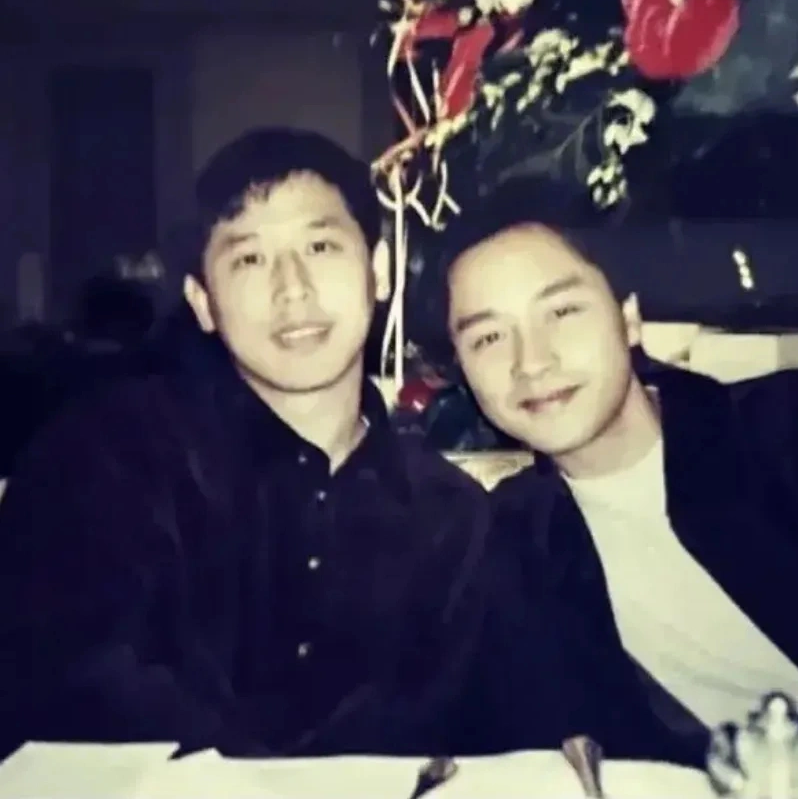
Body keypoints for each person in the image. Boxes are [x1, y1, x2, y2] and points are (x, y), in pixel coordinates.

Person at [0, 128, 492, 759]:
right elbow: (62, 692)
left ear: (378, 271)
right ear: (203, 302)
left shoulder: (450, 517)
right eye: (249, 260)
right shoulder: (107, 462)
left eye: (320, 246)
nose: (293, 288)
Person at [436, 175, 798, 763]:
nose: (531, 362)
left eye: (562, 311)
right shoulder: (513, 542)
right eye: (488, 338)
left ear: (629, 316)